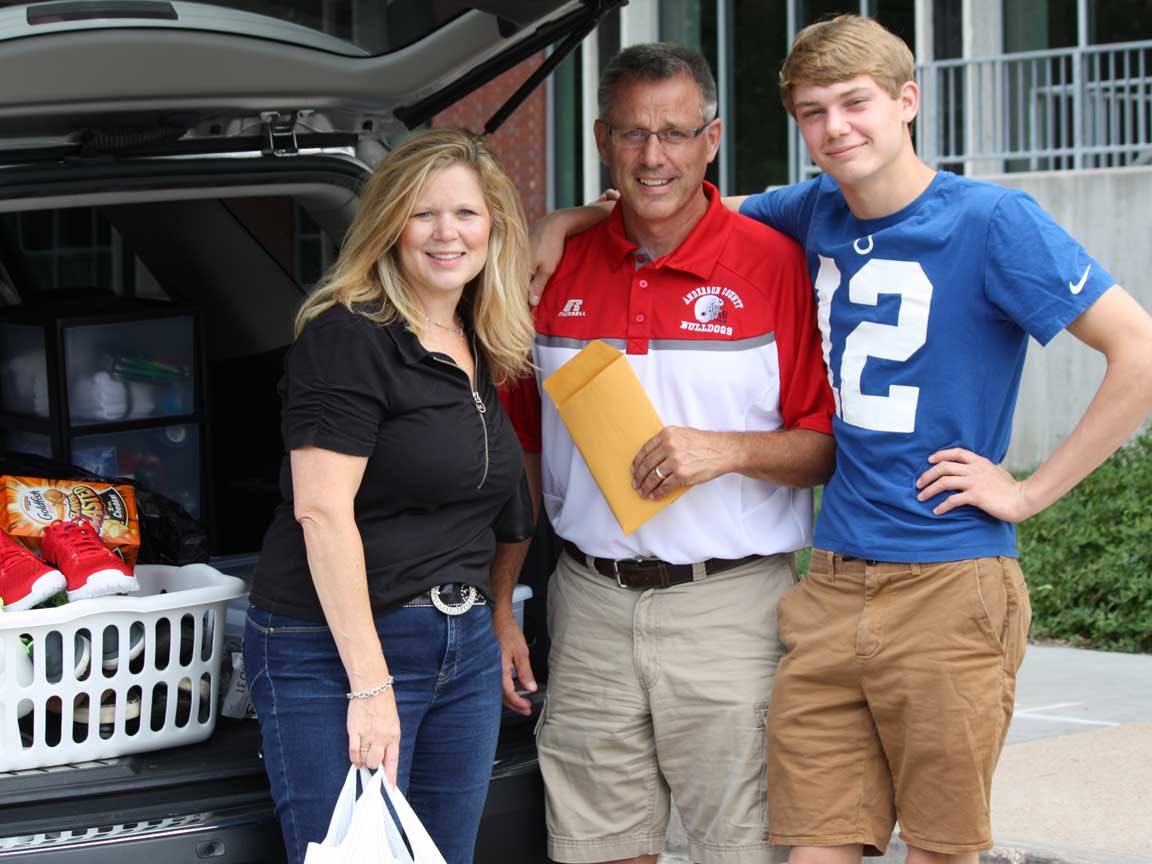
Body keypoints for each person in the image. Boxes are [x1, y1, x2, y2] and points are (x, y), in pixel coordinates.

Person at [531, 16, 1152, 864]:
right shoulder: (811, 207)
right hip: (833, 579)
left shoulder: (994, 220)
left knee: (940, 847)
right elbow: (675, 198)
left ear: (908, 101)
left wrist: (1029, 493)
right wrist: (567, 220)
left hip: (949, 575)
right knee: (811, 843)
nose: (836, 129)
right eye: (813, 113)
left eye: (855, 104)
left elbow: (1139, 351)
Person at [492, 42, 836, 864]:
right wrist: (503, 602)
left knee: (740, 849)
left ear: (711, 139)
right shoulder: (550, 266)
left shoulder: (773, 263)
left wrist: (725, 450)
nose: (655, 157)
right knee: (598, 847)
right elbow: (524, 459)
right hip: (589, 604)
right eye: (635, 135)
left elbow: (823, 448)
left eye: (677, 134)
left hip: (731, 610)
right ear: (604, 139)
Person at [242, 128, 536, 864]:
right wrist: (371, 685)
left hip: (460, 649)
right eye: (423, 213)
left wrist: (496, 618)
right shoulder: (349, 336)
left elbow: (491, 507)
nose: (447, 233)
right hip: (335, 651)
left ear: (493, 225)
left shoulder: (476, 338)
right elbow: (320, 510)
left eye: (466, 214)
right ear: (387, 226)